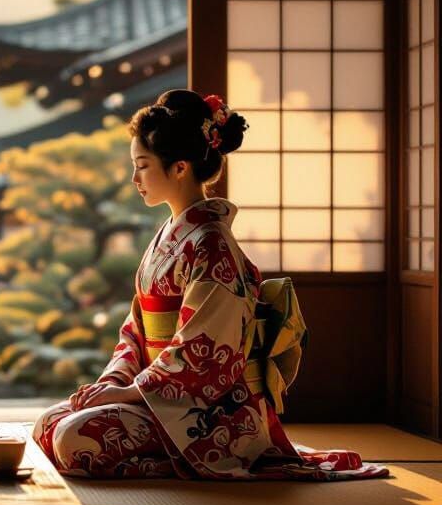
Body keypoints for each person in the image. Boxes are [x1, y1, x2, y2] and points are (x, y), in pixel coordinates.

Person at [33, 89, 389, 482]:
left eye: (143, 166)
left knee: (73, 439)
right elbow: (136, 330)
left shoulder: (212, 244)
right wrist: (114, 383)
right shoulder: (169, 235)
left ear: (180, 167)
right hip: (156, 394)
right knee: (48, 424)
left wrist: (128, 393)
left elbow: (203, 352)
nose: (135, 179)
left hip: (210, 411)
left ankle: (183, 463)